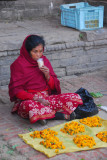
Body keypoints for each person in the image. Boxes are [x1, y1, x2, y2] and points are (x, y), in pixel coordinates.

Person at [8, 35, 83, 125]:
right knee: (29, 107)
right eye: (35, 51)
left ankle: (45, 115)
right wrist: (37, 99)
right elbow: (17, 91)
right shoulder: (19, 64)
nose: (39, 55)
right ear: (28, 51)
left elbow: (53, 86)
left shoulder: (44, 61)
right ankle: (60, 115)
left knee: (74, 97)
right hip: (29, 99)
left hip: (47, 98)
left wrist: (47, 75)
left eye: (41, 51)